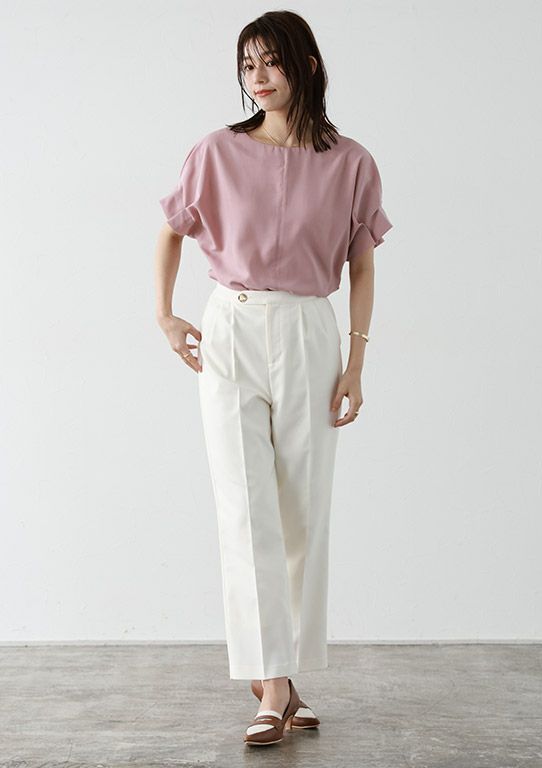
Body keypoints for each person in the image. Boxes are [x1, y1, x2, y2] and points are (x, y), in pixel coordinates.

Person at [155, 10, 393, 746]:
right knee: (244, 506)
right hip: (230, 328)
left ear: (307, 65)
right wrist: (165, 316)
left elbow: (362, 264)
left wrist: (356, 361)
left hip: (309, 331)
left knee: (301, 512)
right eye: (247, 64)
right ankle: (275, 685)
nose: (257, 76)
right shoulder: (216, 151)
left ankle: (282, 677)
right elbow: (171, 230)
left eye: (270, 61)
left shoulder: (351, 162)